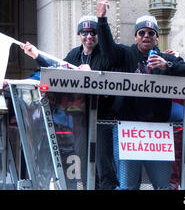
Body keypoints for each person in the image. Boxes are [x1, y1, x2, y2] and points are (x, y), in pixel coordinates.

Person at [96, 0, 185, 190]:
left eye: (151, 33)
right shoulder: (125, 54)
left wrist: (168, 66)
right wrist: (102, 19)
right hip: (128, 130)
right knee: (127, 186)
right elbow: (107, 50)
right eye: (142, 33)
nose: (146, 36)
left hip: (157, 131)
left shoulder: (165, 58)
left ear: (157, 37)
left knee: (163, 186)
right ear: (135, 36)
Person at [21, 14, 119, 190]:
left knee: (104, 167)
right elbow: (58, 70)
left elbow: (113, 79)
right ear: (79, 34)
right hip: (80, 121)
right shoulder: (75, 54)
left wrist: (93, 73)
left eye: (93, 32)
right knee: (86, 167)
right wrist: (36, 56)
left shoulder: (107, 54)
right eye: (85, 32)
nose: (89, 36)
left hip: (103, 121)